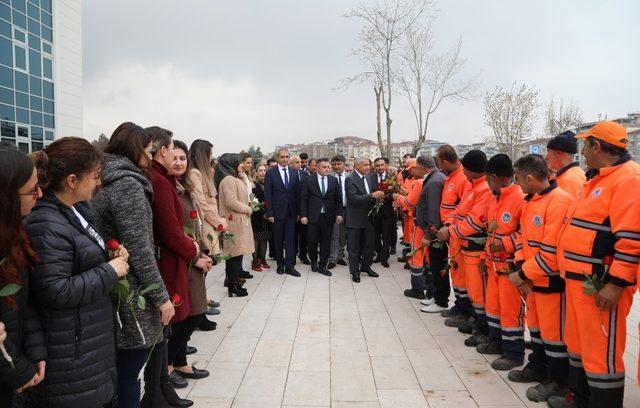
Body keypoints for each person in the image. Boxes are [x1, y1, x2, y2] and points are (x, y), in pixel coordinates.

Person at [26, 137, 128, 408]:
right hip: (70, 350)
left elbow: (79, 260)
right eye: (95, 177)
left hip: (86, 341)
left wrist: (110, 257)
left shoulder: (75, 210)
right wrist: (109, 271)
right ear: (72, 180)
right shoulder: (46, 223)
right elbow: (55, 290)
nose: (98, 183)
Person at [551, 121, 640, 408]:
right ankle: (580, 398)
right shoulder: (598, 178)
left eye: (585, 145)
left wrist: (615, 285)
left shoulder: (628, 180)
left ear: (597, 146)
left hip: (601, 285)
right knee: (580, 346)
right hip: (578, 282)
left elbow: (631, 238)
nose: (583, 152)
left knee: (602, 353)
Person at [90, 122, 174, 408]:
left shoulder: (106, 175)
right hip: (130, 290)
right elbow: (139, 249)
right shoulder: (126, 184)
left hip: (110, 284)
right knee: (129, 372)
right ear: (134, 149)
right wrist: (162, 298)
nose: (152, 156)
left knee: (120, 371)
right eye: (149, 150)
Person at [507, 154, 573, 404]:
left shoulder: (559, 202)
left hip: (551, 283)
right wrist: (522, 265)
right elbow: (523, 237)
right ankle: (539, 367)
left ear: (530, 178)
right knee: (536, 329)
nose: (518, 184)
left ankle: (558, 381)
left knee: (554, 335)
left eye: (519, 179)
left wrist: (522, 273)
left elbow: (553, 253)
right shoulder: (531, 200)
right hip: (533, 280)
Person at [146, 126, 198, 408]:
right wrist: (193, 248)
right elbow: (169, 231)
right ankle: (156, 390)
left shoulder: (161, 178)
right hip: (166, 263)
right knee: (162, 329)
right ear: (163, 150)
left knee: (164, 331)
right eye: (170, 150)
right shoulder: (159, 181)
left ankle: (161, 388)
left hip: (171, 260)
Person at [0, 143, 46, 407]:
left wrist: (36, 351)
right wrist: (16, 370)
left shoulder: (15, 234)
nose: (39, 194)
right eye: (32, 190)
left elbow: (23, 301)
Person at [167, 140, 212, 385]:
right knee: (190, 316)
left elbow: (195, 225)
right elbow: (172, 233)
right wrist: (195, 258)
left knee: (192, 313)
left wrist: (205, 252)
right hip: (183, 261)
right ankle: (168, 364)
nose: (178, 162)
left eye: (182, 158)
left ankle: (181, 362)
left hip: (194, 256)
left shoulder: (183, 187)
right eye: (174, 157)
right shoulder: (167, 189)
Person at [478, 154, 526, 371]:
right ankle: (496, 341)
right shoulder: (494, 196)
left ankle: (513, 353)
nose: (486, 182)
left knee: (510, 310)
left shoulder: (520, 197)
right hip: (492, 264)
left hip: (509, 266)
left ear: (495, 177)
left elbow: (527, 234)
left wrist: (506, 243)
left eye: (487, 178)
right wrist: (484, 256)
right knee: (494, 306)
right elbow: (489, 231)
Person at [437, 150, 491, 338]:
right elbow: (459, 210)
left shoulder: (483, 188)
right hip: (459, 240)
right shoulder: (471, 184)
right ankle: (463, 309)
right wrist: (449, 224)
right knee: (461, 279)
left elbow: (475, 220)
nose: (463, 172)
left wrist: (450, 230)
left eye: (465, 168)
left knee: (475, 287)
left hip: (471, 244)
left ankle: (475, 319)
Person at [187, 140, 225, 321]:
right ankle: (200, 307)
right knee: (202, 266)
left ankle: (203, 301)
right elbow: (201, 203)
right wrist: (218, 221)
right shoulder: (194, 173)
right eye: (209, 154)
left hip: (210, 223)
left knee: (206, 266)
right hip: (205, 225)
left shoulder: (203, 173)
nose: (211, 157)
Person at [436, 145, 473, 321]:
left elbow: (463, 208)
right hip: (450, 232)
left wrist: (450, 227)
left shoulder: (464, 178)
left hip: (458, 231)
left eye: (439, 163)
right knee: (455, 271)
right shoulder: (451, 176)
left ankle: (466, 309)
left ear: (445, 162)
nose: (439, 167)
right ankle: (459, 304)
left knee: (462, 273)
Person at [407, 155, 449, 312]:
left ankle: (441, 301)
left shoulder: (434, 182)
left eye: (415, 167)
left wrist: (428, 235)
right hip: (433, 231)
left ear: (423, 167)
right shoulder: (433, 178)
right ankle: (437, 296)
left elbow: (433, 212)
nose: (413, 170)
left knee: (438, 266)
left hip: (435, 233)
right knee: (435, 265)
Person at [215, 153, 256, 296]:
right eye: (238, 163)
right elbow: (231, 202)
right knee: (233, 254)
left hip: (239, 221)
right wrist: (247, 208)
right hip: (233, 222)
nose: (241, 165)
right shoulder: (227, 180)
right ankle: (233, 284)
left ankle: (234, 282)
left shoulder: (234, 178)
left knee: (237, 253)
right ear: (230, 164)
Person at [300, 158, 343, 276]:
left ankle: (322, 265)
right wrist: (303, 215)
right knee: (312, 240)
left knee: (326, 241)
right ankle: (314, 261)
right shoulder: (308, 180)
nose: (328, 169)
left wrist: (339, 213)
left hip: (328, 216)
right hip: (313, 216)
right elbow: (303, 199)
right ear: (317, 168)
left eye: (328, 167)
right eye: (324, 167)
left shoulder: (334, 180)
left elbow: (338, 199)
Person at [345, 157, 385, 282]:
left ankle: (366, 267)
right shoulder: (350, 179)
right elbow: (354, 199)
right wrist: (372, 195)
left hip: (369, 218)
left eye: (369, 165)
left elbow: (371, 196)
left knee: (369, 246)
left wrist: (378, 199)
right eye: (366, 165)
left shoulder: (368, 177)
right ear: (357, 166)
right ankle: (355, 271)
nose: (369, 167)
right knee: (354, 248)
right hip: (355, 219)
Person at [264, 148, 302, 277]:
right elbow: (268, 195)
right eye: (282, 157)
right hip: (277, 213)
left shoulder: (294, 172)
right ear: (278, 158)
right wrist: (270, 213)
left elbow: (297, 193)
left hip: (291, 212)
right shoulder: (270, 173)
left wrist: (298, 212)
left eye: (287, 157)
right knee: (278, 240)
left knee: (291, 240)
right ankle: (280, 264)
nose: (285, 159)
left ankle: (290, 266)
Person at [369, 157, 395, 268]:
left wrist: (386, 196)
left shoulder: (392, 177)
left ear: (385, 165)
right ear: (374, 167)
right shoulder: (370, 178)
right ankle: (379, 255)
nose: (380, 167)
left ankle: (385, 258)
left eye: (382, 165)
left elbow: (395, 193)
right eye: (377, 165)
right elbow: (369, 192)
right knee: (375, 235)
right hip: (375, 212)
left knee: (386, 236)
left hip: (388, 212)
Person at [545, 131, 586, 198]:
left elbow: (566, 207)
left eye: (549, 152)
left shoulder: (570, 179)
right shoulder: (568, 175)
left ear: (558, 153)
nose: (546, 157)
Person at [328, 155, 348, 269]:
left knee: (343, 235)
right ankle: (333, 259)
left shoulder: (350, 177)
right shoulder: (329, 177)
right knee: (335, 235)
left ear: (344, 164)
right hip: (334, 211)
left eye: (338, 164)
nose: (336, 166)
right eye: (334, 164)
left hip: (348, 209)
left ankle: (340, 256)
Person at [251, 164, 272, 271]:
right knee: (256, 239)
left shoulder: (269, 184)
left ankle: (263, 260)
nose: (263, 172)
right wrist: (262, 208)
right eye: (260, 170)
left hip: (267, 216)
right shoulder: (253, 185)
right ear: (256, 173)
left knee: (264, 238)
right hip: (256, 215)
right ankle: (255, 262)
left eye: (265, 170)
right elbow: (253, 202)